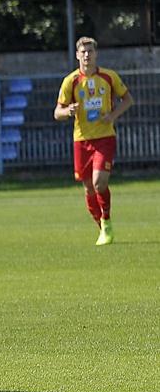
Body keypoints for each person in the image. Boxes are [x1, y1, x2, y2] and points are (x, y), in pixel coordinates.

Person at [55, 36, 134, 246]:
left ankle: (106, 220)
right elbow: (57, 112)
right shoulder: (70, 81)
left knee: (100, 183)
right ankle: (102, 230)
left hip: (105, 138)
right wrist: (67, 111)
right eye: (83, 52)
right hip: (81, 140)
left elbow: (127, 99)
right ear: (77, 55)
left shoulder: (109, 77)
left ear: (96, 54)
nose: (87, 55)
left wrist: (113, 115)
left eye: (90, 51)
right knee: (89, 188)